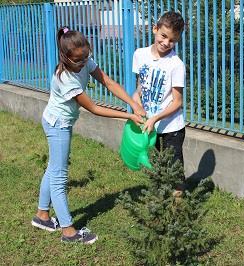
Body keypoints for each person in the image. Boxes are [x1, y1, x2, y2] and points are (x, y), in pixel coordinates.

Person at [31, 27, 145, 244]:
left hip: (60, 122)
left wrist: (132, 103)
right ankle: (68, 232)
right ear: (65, 57)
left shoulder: (84, 59)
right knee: (59, 176)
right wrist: (128, 117)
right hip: (58, 125)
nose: (84, 62)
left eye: (86, 57)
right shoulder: (65, 78)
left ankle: (42, 216)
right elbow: (92, 107)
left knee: (54, 168)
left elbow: (108, 82)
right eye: (78, 60)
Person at [131, 11, 186, 193]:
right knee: (155, 168)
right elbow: (140, 89)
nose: (166, 43)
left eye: (172, 40)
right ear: (155, 29)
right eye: (163, 36)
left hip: (171, 129)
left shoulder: (176, 64)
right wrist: (135, 104)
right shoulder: (140, 55)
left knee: (174, 172)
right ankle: (161, 205)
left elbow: (177, 102)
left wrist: (155, 118)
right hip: (150, 127)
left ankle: (178, 209)